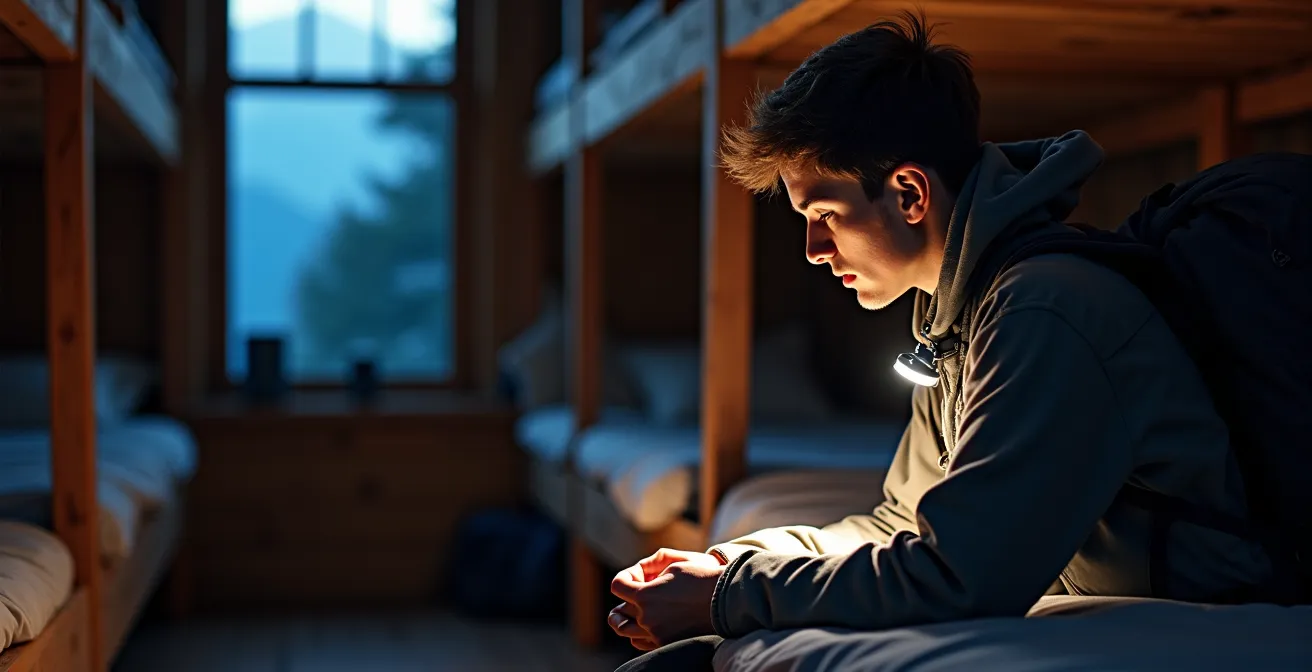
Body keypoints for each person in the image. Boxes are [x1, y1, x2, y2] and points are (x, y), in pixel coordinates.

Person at [606, 10, 1276, 671]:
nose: (812, 249)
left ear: (908, 194)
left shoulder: (1046, 310)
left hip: (1207, 605)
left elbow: (958, 576)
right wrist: (733, 560)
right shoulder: (958, 314)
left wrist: (729, 597)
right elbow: (900, 523)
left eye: (824, 215)